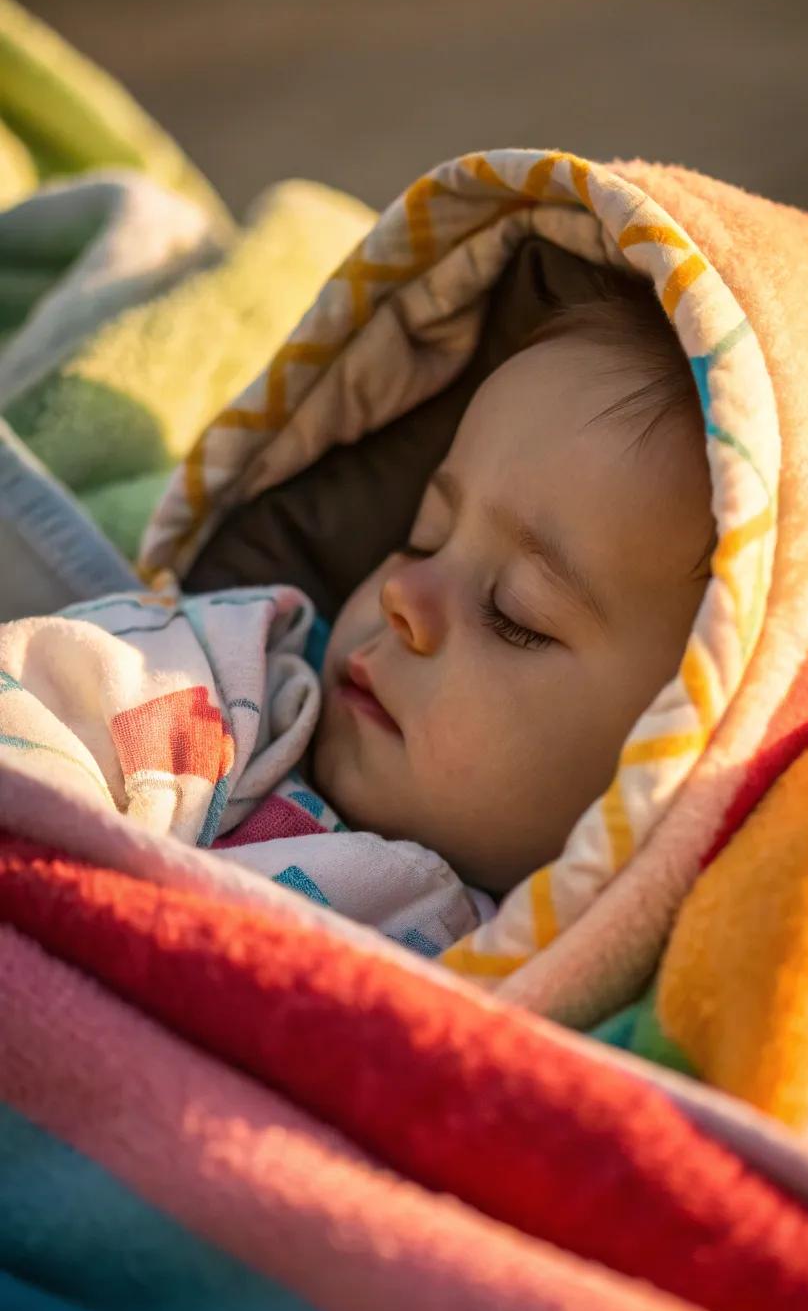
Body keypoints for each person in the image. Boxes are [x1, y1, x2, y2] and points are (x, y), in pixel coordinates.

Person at [0, 266, 713, 953]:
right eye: (422, 537)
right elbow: (43, 705)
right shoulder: (240, 686)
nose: (404, 596)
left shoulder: (578, 1008)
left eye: (512, 611)